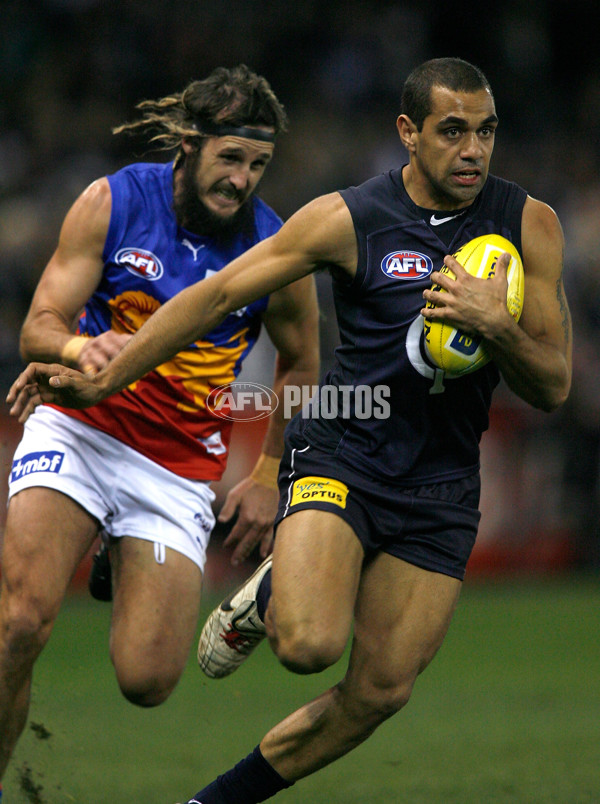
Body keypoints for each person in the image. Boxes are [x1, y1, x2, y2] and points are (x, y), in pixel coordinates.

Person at [7, 57, 572, 803]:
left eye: (487, 132)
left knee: (379, 692)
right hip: (344, 449)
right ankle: (289, 588)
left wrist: (497, 327)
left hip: (440, 480)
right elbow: (216, 296)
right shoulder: (345, 217)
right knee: (306, 647)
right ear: (408, 132)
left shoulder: (529, 224)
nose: (473, 150)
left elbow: (553, 384)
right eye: (453, 131)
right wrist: (102, 369)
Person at [0, 64, 320, 786]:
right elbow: (39, 327)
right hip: (81, 427)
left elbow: (302, 365)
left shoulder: (276, 252)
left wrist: (270, 473)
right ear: (189, 142)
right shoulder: (111, 202)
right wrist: (83, 348)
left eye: (259, 165)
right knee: (20, 623)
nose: (243, 179)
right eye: (231, 158)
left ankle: (118, 546)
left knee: (148, 681)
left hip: (176, 469)